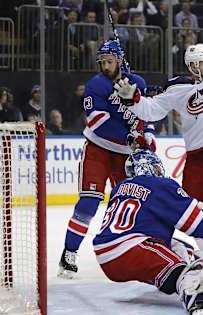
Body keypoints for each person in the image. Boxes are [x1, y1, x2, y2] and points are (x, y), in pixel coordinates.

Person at [112, 4, 203, 270]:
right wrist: (132, 100)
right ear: (193, 66)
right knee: (192, 207)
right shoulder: (178, 89)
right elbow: (153, 110)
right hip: (198, 157)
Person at [94, 149, 203, 315]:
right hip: (132, 248)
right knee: (185, 267)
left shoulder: (119, 188)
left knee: (186, 252)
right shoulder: (159, 184)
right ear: (151, 168)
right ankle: (197, 297)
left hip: (106, 254)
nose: (158, 171)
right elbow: (191, 218)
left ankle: (176, 277)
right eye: (155, 168)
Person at [58, 39, 156, 279]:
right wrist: (130, 137)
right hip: (98, 149)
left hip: (125, 155)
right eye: (102, 61)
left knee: (129, 205)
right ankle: (69, 253)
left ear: (120, 61)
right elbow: (98, 122)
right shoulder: (96, 85)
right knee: (89, 202)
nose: (105, 65)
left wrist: (148, 137)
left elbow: (148, 114)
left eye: (110, 61)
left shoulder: (138, 83)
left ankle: (130, 253)